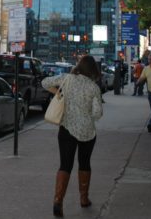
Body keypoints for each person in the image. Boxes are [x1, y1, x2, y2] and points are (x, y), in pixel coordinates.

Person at [42, 55, 103, 217]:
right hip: (87, 131)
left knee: (65, 165)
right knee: (84, 163)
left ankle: (58, 201)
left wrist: (59, 93)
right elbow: (97, 114)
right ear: (92, 70)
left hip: (66, 129)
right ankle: (84, 199)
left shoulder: (66, 79)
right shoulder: (93, 88)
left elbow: (44, 83)